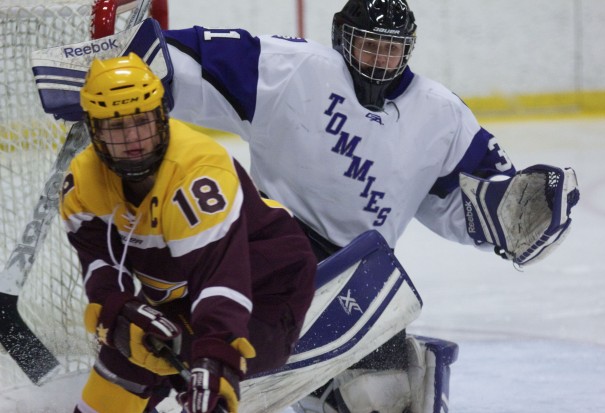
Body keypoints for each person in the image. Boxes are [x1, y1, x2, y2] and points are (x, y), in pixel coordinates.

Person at [159, 0, 580, 411]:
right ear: (342, 39)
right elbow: (188, 59)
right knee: (226, 379)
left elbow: (471, 204)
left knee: (388, 396)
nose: (380, 59)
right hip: (269, 251)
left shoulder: (442, 116)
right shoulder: (293, 67)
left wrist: (512, 217)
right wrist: (139, 65)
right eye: (369, 45)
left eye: (392, 48)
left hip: (358, 275)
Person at [60, 52, 317, 413]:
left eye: (142, 121)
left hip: (265, 290)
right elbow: (101, 264)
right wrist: (118, 308)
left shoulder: (198, 174)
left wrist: (216, 355)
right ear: (94, 129)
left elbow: (221, 280)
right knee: (126, 354)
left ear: (161, 115)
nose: (132, 138)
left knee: (195, 375)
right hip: (184, 292)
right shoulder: (83, 183)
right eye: (116, 127)